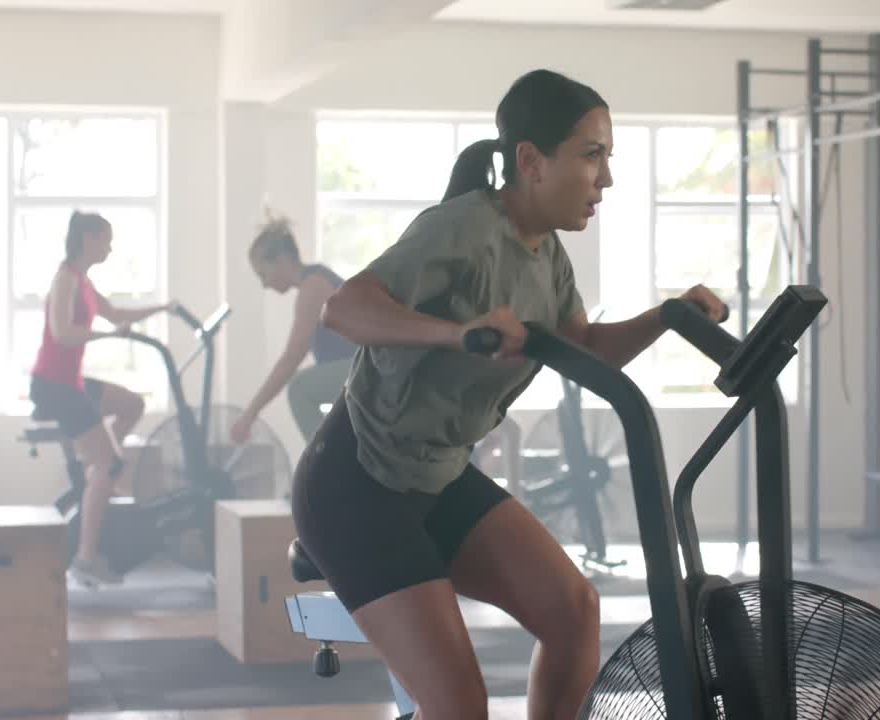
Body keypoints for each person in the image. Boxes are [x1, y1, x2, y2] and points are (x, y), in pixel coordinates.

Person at [291, 69, 727, 720]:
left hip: (435, 481)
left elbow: (582, 349)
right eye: (592, 155)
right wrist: (456, 332)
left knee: (573, 610)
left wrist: (667, 316)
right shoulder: (462, 229)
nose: (605, 179)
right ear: (531, 161)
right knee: (460, 706)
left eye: (607, 158)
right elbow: (344, 309)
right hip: (356, 489)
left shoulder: (545, 254)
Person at [29, 210, 175, 588]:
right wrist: (107, 336)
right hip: (54, 385)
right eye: (106, 240)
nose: (110, 248)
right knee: (110, 466)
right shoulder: (65, 279)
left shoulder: (84, 281)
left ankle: (102, 469)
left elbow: (118, 314)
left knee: (132, 405)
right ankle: (86, 558)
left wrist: (163, 308)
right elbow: (63, 334)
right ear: (88, 239)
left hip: (71, 381)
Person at [229, 214, 358, 445]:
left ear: (282, 259)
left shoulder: (313, 287)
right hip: (356, 368)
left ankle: (322, 459)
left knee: (300, 388)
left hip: (363, 368)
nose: (264, 284)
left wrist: (250, 414)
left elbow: (292, 358)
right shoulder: (315, 279)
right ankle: (333, 451)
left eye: (263, 274)